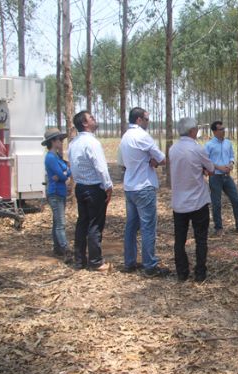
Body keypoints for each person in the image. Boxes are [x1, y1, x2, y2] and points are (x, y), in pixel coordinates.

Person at [119, 107, 168, 277]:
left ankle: (130, 262)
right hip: (144, 186)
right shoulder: (142, 136)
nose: (148, 122)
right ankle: (150, 266)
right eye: (147, 119)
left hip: (130, 187)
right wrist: (154, 161)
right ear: (139, 120)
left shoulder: (125, 137)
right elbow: (162, 159)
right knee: (148, 227)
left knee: (131, 227)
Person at [170, 118, 215, 282]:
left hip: (179, 203)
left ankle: (182, 273)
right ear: (192, 131)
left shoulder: (173, 149)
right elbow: (211, 169)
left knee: (179, 240)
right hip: (198, 202)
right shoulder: (198, 149)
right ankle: (200, 273)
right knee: (201, 239)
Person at [68, 111, 113, 270]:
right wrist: (108, 186)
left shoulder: (73, 143)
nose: (95, 119)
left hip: (81, 187)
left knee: (82, 223)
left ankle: (79, 260)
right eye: (91, 118)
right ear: (85, 124)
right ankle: (95, 261)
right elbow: (101, 167)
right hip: (94, 188)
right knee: (95, 225)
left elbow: (72, 165)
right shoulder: (92, 143)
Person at [205, 120, 238, 235]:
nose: (224, 131)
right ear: (214, 131)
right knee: (216, 203)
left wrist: (231, 164)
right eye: (221, 129)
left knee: (236, 200)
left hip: (227, 177)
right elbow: (206, 161)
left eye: (224, 129)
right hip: (215, 177)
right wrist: (219, 167)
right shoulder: (209, 145)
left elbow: (232, 156)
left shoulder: (228, 143)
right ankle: (218, 228)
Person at [42, 128, 72, 263]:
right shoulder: (50, 157)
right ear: (53, 141)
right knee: (60, 223)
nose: (61, 142)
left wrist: (64, 173)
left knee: (57, 222)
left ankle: (57, 247)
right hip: (55, 193)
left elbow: (67, 171)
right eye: (59, 139)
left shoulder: (57, 157)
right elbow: (61, 174)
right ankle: (66, 250)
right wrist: (64, 173)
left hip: (60, 192)